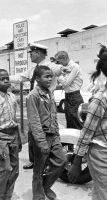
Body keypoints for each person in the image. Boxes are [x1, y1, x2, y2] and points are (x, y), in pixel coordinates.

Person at [68, 45, 107, 200]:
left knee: (101, 194)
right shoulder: (100, 99)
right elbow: (86, 132)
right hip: (101, 155)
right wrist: (77, 162)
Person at [10, 42, 62, 170]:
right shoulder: (33, 69)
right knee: (32, 131)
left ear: (38, 53)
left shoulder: (50, 65)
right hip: (34, 101)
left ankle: (45, 161)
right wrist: (6, 77)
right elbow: (20, 77)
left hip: (45, 102)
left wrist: (62, 68)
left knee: (45, 131)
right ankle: (33, 160)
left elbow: (57, 69)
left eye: (31, 53)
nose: (30, 56)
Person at [27, 65, 67, 200]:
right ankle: (38, 196)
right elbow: (34, 120)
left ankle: (46, 186)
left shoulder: (49, 92)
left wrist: (56, 133)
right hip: (40, 136)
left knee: (61, 161)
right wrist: (41, 142)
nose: (50, 79)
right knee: (39, 169)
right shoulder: (33, 96)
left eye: (51, 76)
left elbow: (53, 114)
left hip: (53, 135)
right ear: (37, 79)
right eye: (47, 76)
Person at [0, 69, 21, 200]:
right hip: (2, 137)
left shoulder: (12, 97)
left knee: (15, 170)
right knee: (5, 169)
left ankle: (7, 195)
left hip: (13, 136)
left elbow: (15, 120)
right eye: (2, 79)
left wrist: (18, 138)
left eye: (7, 78)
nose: (6, 80)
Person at [55, 51, 84, 130]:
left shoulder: (74, 67)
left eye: (58, 61)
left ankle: (79, 141)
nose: (58, 63)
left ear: (64, 58)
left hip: (74, 96)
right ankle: (71, 141)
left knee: (76, 120)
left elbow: (66, 83)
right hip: (68, 95)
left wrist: (59, 76)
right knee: (69, 119)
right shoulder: (65, 68)